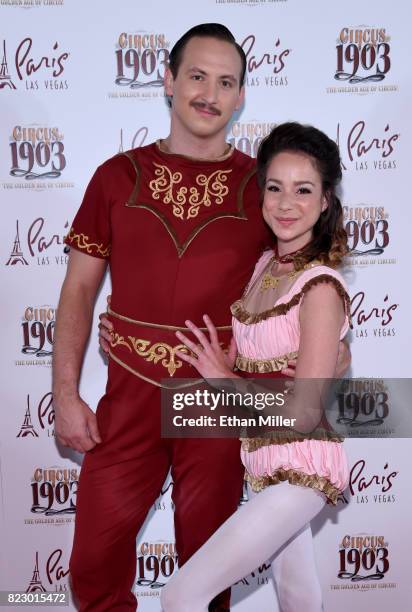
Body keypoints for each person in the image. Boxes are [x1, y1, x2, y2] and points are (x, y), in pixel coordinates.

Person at [54, 23, 349, 612]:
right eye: (196, 76)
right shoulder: (117, 176)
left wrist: (333, 353)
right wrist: (65, 390)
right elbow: (79, 288)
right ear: (167, 80)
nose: (209, 93)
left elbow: (301, 278)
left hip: (215, 406)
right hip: (130, 393)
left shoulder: (261, 188)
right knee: (92, 566)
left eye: (226, 82)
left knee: (203, 576)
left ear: (242, 96)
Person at [160, 122, 351, 612]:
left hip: (301, 468)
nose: (286, 204)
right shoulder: (264, 266)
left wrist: (225, 381)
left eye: (304, 190)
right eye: (275, 187)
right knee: (297, 596)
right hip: (264, 463)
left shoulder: (321, 288)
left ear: (326, 200)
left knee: (181, 596)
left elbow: (305, 412)